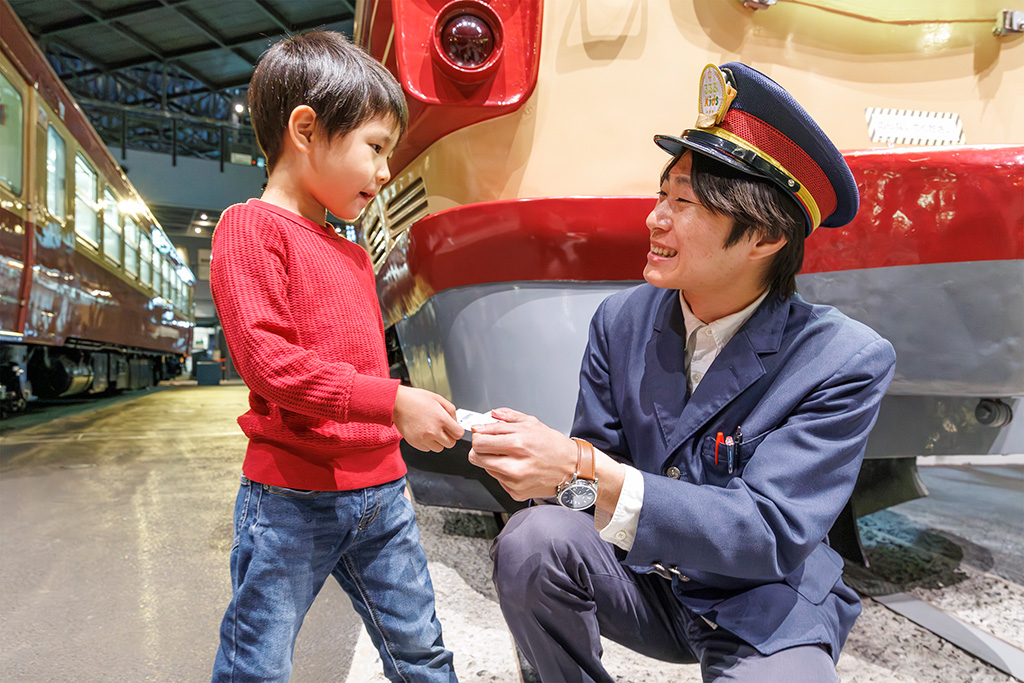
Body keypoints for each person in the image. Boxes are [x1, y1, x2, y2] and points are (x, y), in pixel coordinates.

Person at [468, 62, 896, 682]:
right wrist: (551, 475)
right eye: (661, 195)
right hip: (641, 573)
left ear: (766, 238)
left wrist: (578, 466)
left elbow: (769, 533)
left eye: (685, 203)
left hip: (761, 597)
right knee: (533, 540)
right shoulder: (622, 320)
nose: (655, 220)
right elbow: (597, 464)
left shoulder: (843, 359)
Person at [208, 31, 462, 683]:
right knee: (256, 663)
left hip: (382, 494)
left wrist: (399, 422)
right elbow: (270, 362)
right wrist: (392, 401)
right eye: (375, 148)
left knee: (423, 655)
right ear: (305, 129)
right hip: (291, 495)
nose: (384, 172)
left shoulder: (351, 252)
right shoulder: (249, 228)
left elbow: (361, 368)